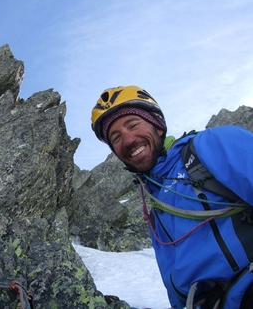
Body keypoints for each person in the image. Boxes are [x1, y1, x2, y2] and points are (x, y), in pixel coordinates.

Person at [91, 85, 253, 309]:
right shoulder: (155, 209)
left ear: (157, 124)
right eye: (116, 137)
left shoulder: (212, 145)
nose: (128, 140)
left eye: (133, 124)